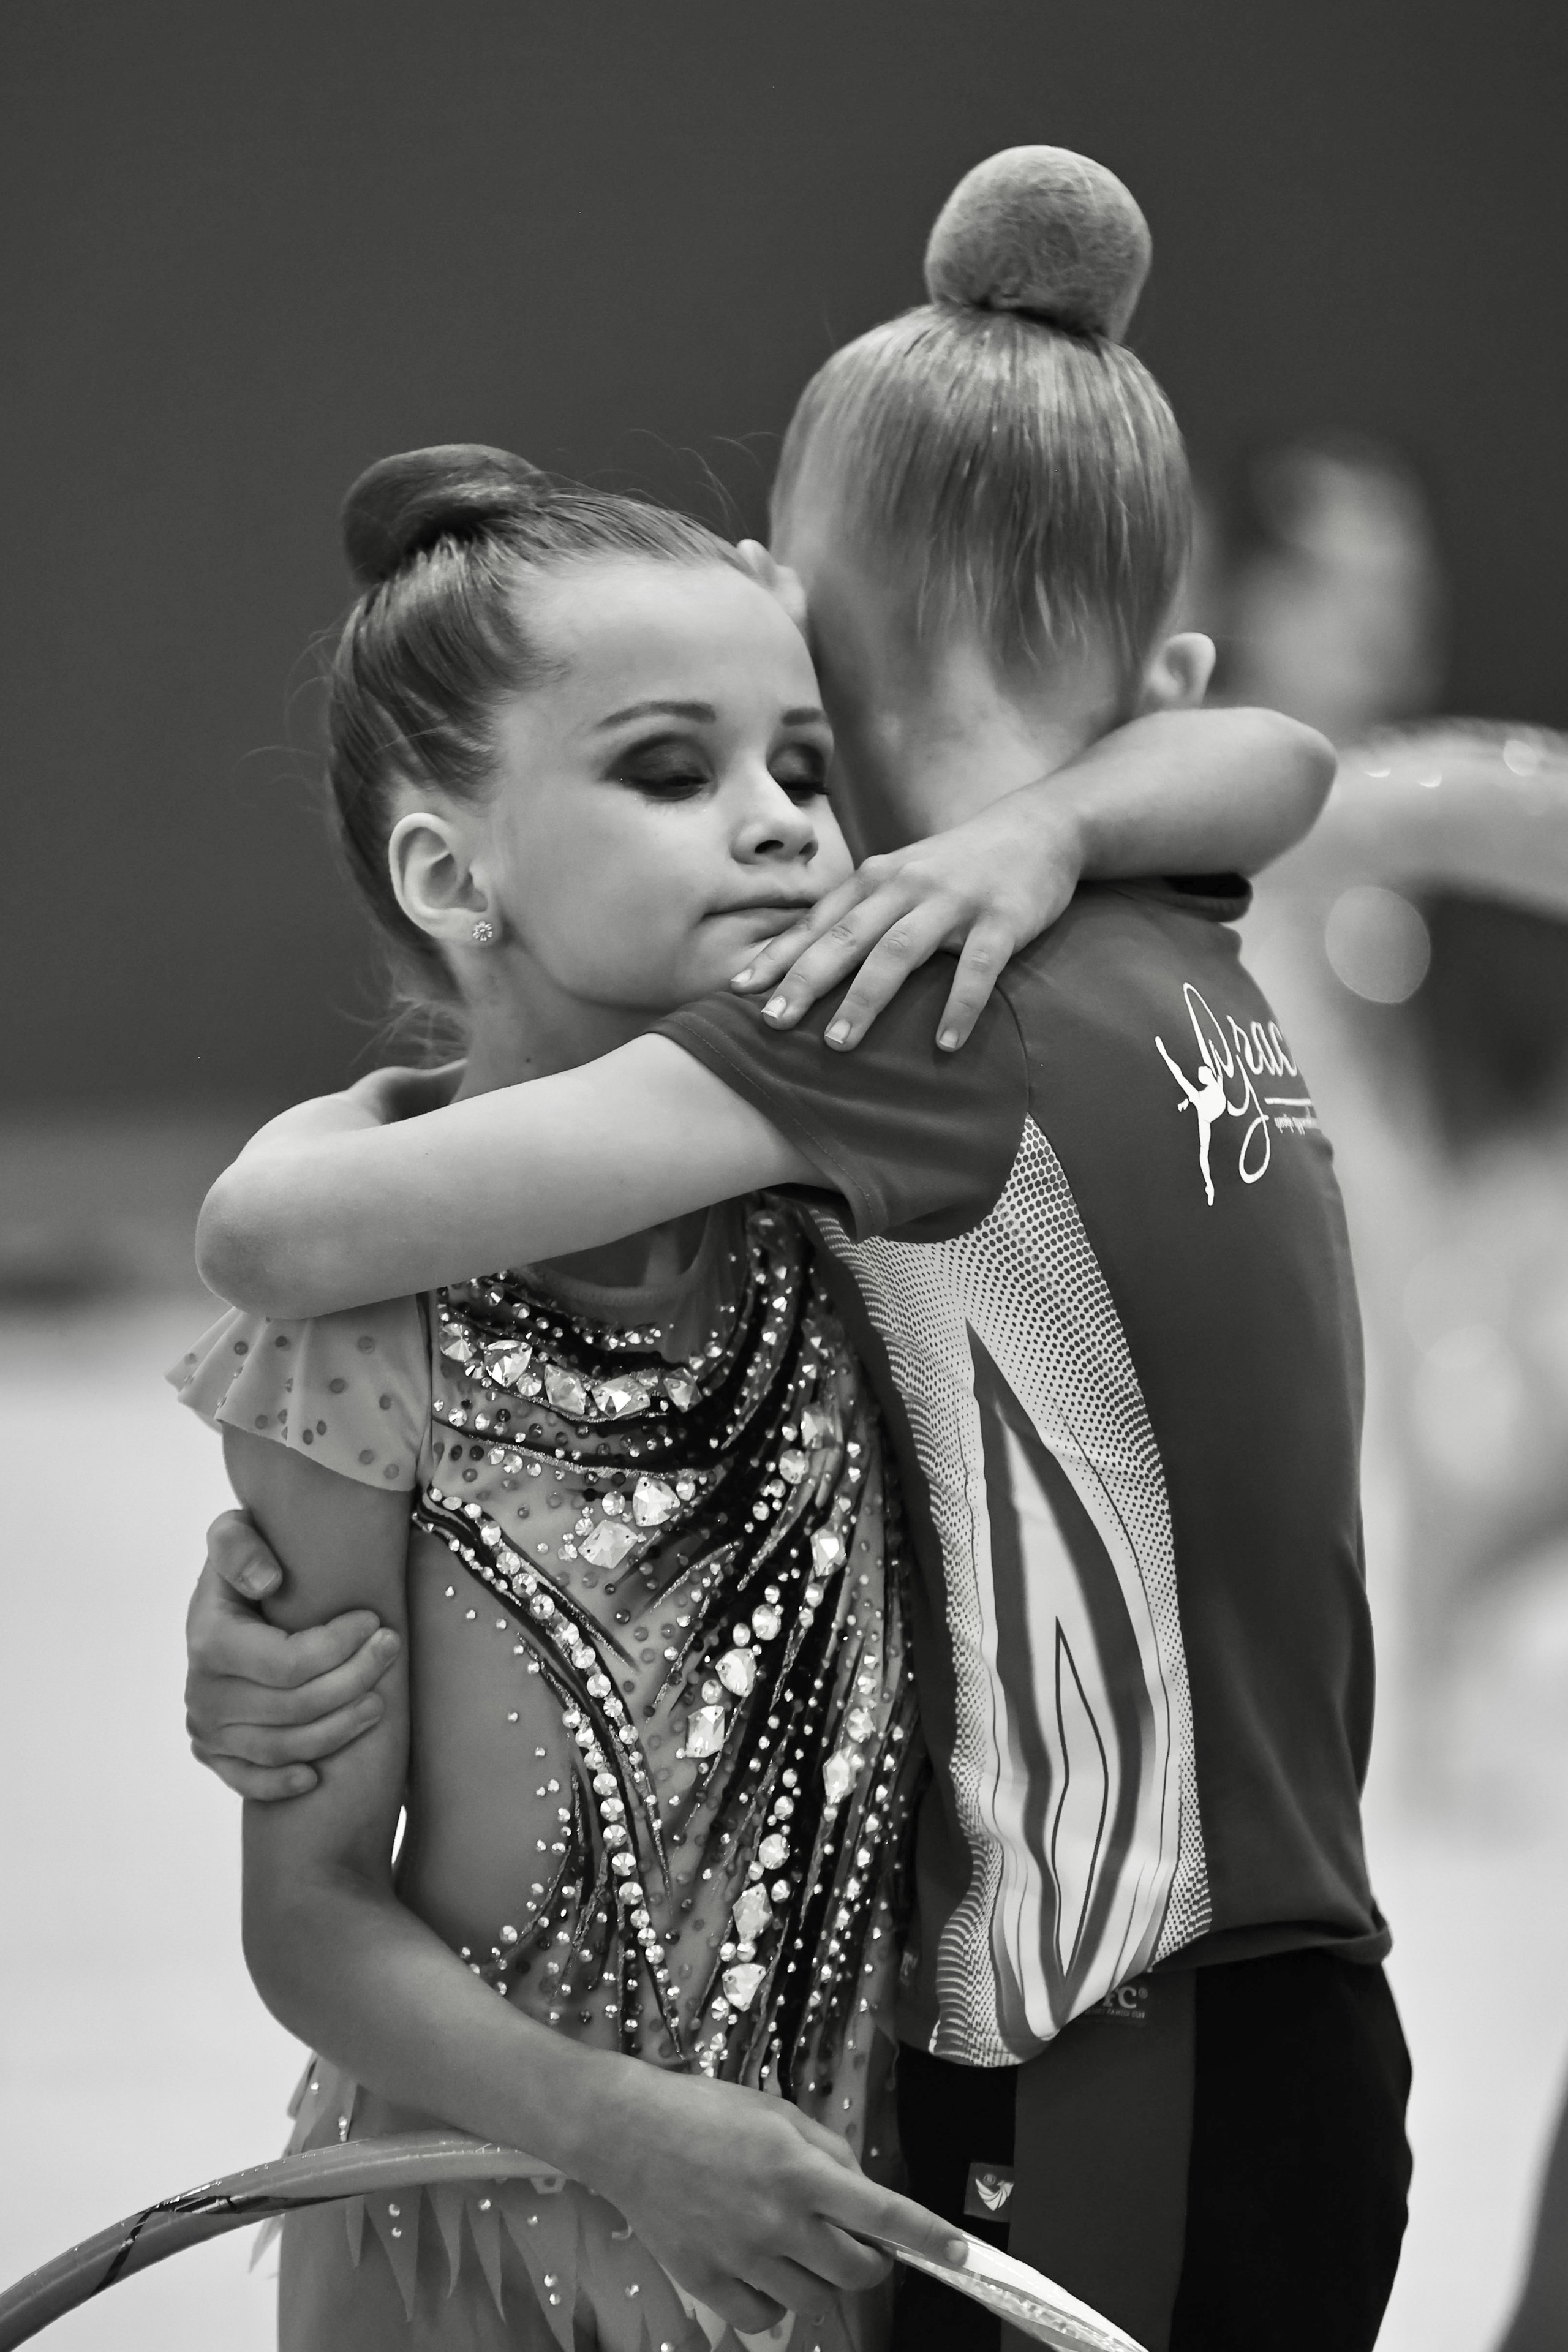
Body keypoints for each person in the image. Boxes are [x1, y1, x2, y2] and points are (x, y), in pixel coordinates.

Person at [184, 149, 1386, 2352]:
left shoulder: (866, 1076)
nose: (777, 822)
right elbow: (1282, 761)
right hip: (591, 2215)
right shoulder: (1110, 952)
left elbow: (270, 1228)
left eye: (807, 757)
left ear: (792, 596)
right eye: (682, 765)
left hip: (999, 2116)